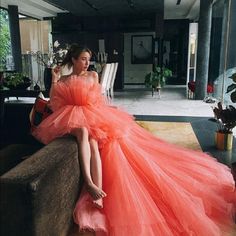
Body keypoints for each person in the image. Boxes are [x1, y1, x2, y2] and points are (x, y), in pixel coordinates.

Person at [32, 44, 236, 236]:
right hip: (74, 117)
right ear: (74, 60)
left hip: (93, 113)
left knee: (95, 141)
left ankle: (96, 189)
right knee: (86, 135)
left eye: (88, 59)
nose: (87, 63)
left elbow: (97, 100)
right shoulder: (65, 80)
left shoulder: (93, 75)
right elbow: (55, 102)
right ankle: (91, 184)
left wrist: (98, 116)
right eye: (83, 59)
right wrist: (55, 79)